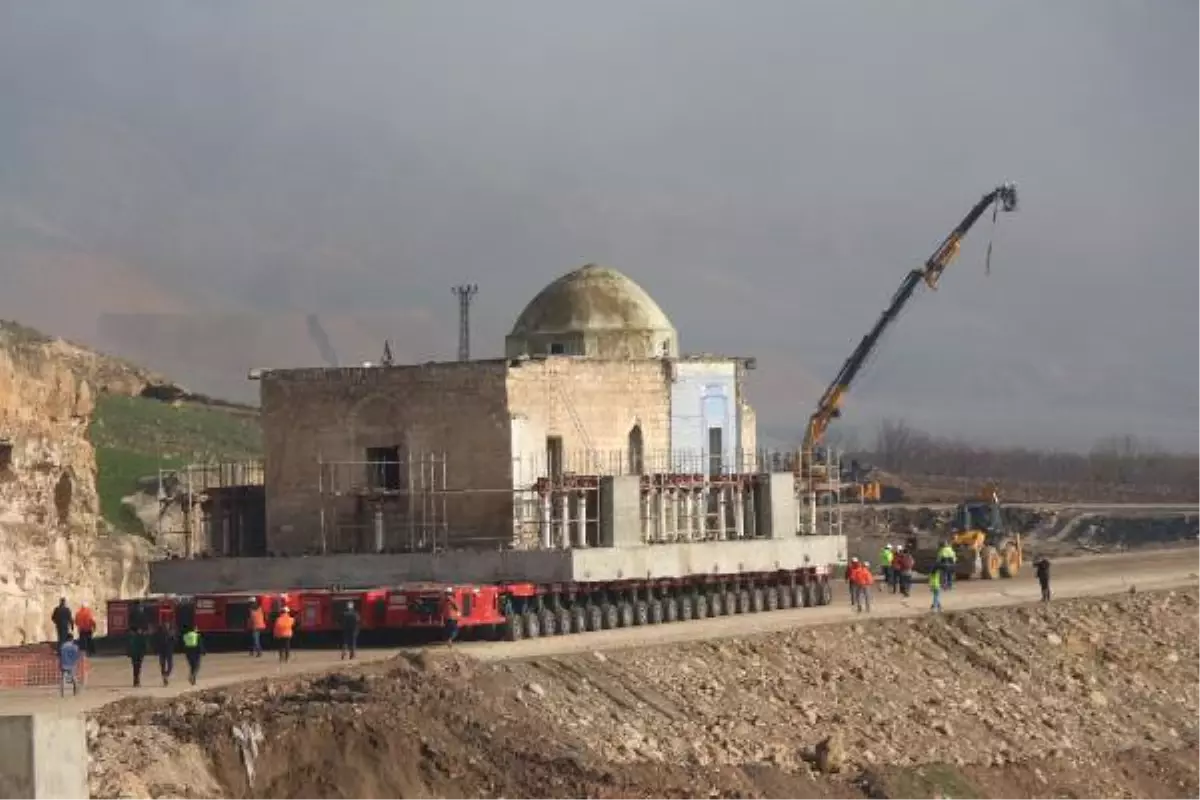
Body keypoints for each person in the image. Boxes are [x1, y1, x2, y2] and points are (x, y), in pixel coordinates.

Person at [152, 621, 175, 686]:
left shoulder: (171, 633)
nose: (166, 627)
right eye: (165, 626)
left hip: (168, 651)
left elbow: (174, 641)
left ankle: (166, 675)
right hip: (162, 651)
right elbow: (155, 642)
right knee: (163, 666)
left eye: (167, 626)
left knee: (170, 665)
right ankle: (165, 678)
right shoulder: (159, 634)